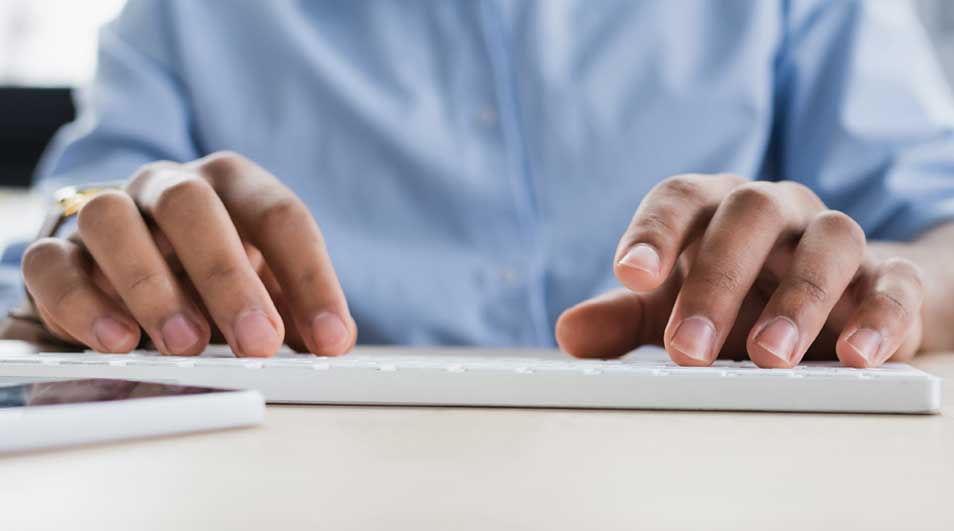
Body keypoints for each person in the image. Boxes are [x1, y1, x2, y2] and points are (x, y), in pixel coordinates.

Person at [8, 0, 954, 369]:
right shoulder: (184, 18)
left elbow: (940, 231)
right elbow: (54, 243)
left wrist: (879, 293)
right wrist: (91, 246)